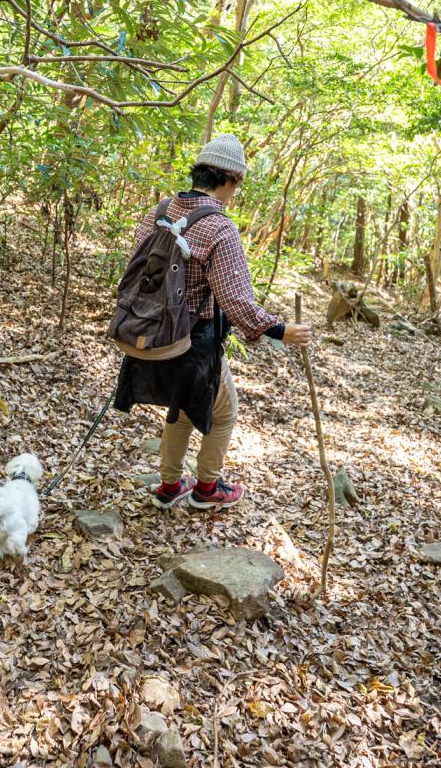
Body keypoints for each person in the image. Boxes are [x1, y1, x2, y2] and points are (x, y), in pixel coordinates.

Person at [111, 134, 310, 510]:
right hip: (194, 342)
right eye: (239, 183)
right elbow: (235, 298)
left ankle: (169, 487)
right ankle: (207, 488)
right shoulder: (220, 227)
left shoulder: (160, 210)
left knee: (182, 408)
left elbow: (135, 270)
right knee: (222, 412)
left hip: (152, 332)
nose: (237, 192)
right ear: (229, 179)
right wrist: (280, 330)